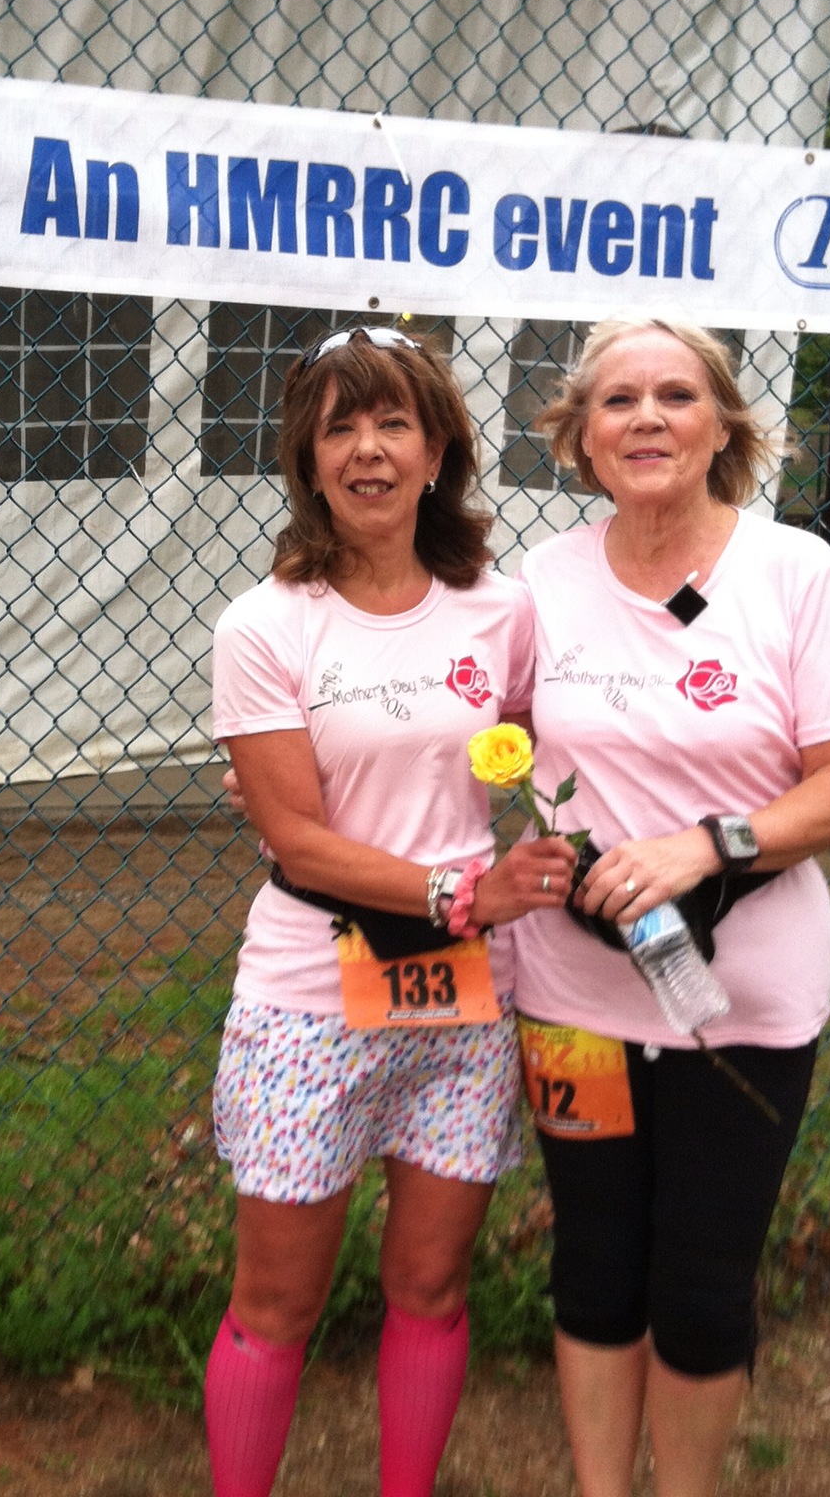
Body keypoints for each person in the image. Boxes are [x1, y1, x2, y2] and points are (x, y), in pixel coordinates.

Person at [511, 316, 830, 1497]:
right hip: (573, 988)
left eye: (675, 396)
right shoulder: (539, 582)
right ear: (578, 437)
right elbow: (471, 729)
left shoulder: (795, 575)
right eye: (616, 401)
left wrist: (705, 846)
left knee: (703, 1283)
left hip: (744, 1000)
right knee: (593, 1266)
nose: (646, 420)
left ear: (723, 426)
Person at [207, 324, 579, 1497]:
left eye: (392, 424)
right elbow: (298, 839)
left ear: (436, 453)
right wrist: (460, 891)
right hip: (309, 999)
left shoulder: (500, 610)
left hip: (465, 1003)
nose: (366, 450)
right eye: (339, 429)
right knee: (277, 1304)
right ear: (307, 461)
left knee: (430, 1288)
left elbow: (552, 749)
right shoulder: (264, 625)